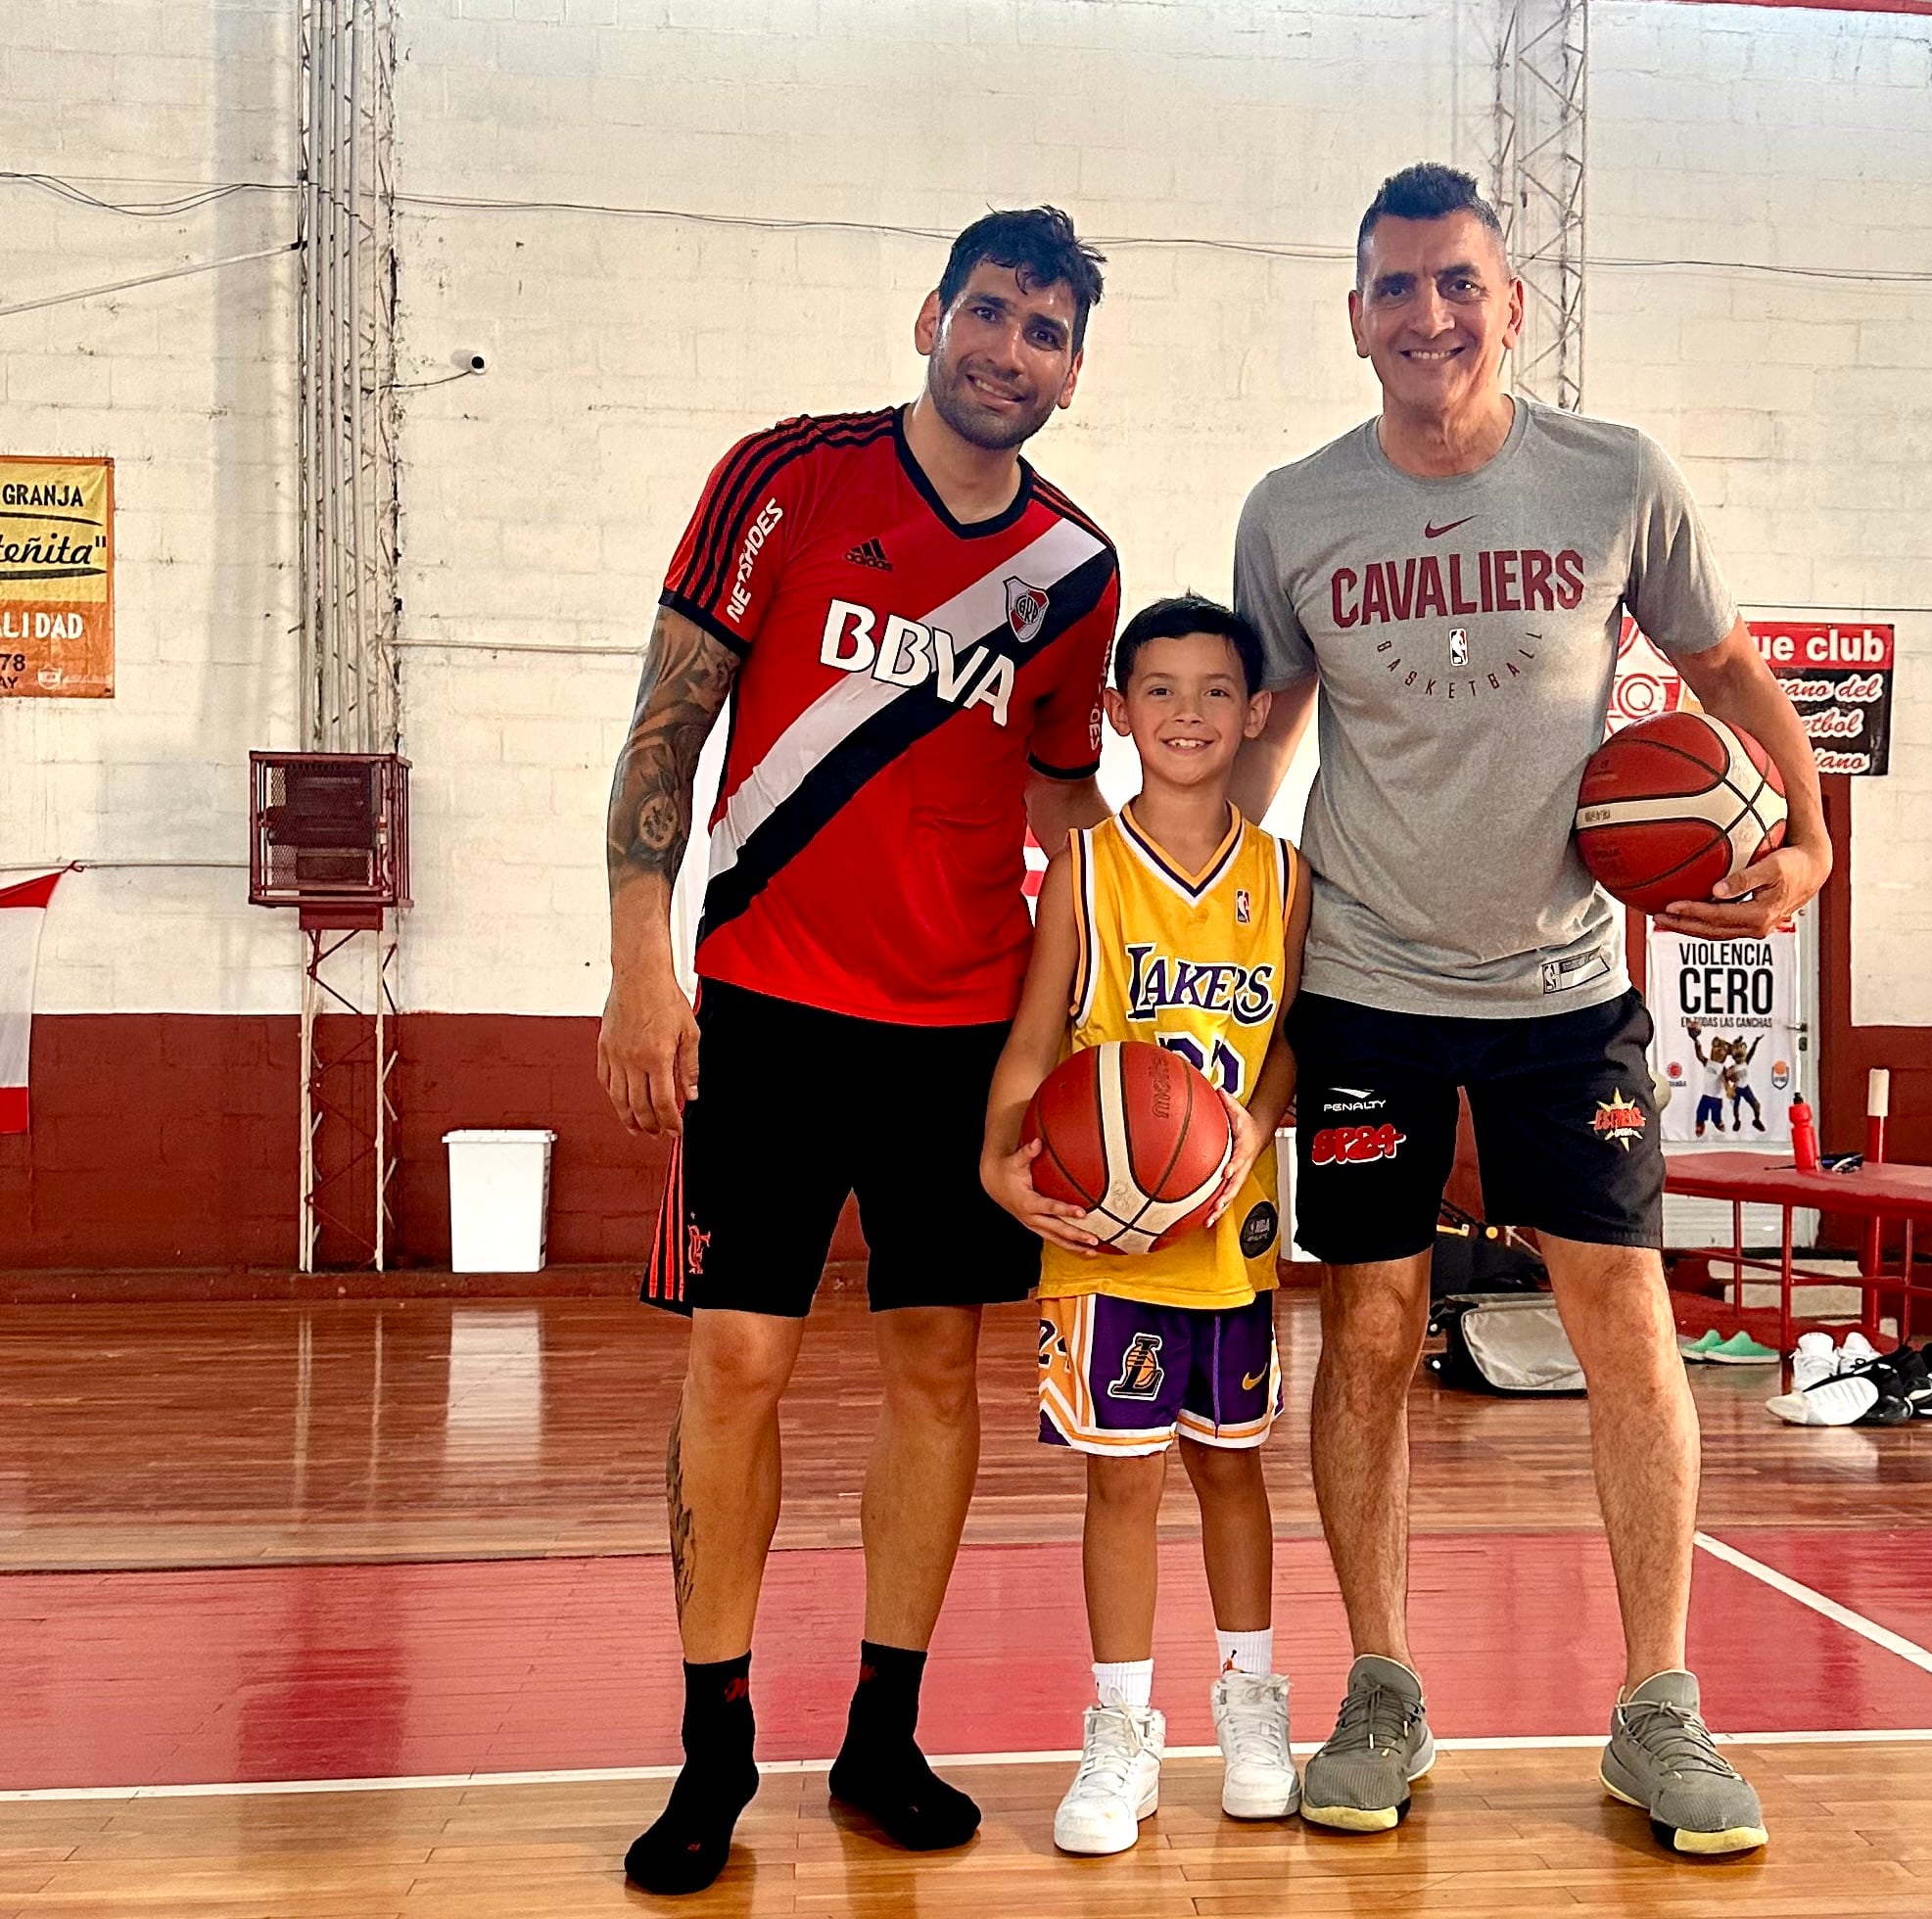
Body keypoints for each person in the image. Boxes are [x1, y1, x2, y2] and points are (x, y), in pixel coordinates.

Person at [1231, 163, 1830, 1854]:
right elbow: (1270, 733)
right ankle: (1382, 1688)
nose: (1427, 314)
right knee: (1360, 1333)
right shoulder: (1291, 512)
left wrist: (1808, 841)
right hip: (1362, 977)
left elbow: (1723, 668)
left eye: (1456, 283)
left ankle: (1655, 1709)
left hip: (1566, 989)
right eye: (1394, 286)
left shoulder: (1611, 477)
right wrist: (1196, 906)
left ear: (1509, 302)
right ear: (1352, 317)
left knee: (1624, 1326)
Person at [599, 206, 1120, 1896]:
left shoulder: (1073, 572)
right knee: (733, 1369)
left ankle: (881, 1731)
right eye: (987, 312)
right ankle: (712, 1740)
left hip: (960, 1031)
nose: (1006, 350)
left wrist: (1103, 1000)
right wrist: (636, 966)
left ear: (1067, 370)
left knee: (932, 1377)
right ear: (931, 313)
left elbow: (1061, 805)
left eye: (1043, 333)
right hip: (762, 1003)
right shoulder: (785, 475)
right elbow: (666, 724)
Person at [981, 595, 1311, 1856]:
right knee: (1119, 1484)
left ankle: (1249, 1704)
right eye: (1158, 690)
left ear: (1255, 713)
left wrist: (1244, 1130)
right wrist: (998, 1159)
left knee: (1231, 1467)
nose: (1186, 713)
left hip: (1225, 1229)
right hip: (1098, 1237)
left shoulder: (1284, 879)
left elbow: (1284, 1040)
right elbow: (1029, 1045)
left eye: (1214, 690)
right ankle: (1120, 1727)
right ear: (1115, 714)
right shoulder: (1080, 869)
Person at [1689, 1027, 1729, 1138]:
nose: (1719, 1053)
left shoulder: (1722, 1068)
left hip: (1716, 1097)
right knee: (1700, 1112)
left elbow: (1725, 1079)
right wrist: (1696, 1041)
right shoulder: (1708, 1062)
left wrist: (1727, 1088)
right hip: (1706, 1095)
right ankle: (1700, 1125)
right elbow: (1699, 1055)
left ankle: (1718, 1122)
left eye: (1722, 1051)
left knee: (1716, 1114)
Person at [1723, 1035, 1767, 1132]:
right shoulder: (1733, 1068)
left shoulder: (1745, 1062)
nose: (1739, 1060)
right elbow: (1727, 1078)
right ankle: (1737, 1121)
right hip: (1737, 1089)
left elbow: (1752, 1052)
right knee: (1736, 1107)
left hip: (1745, 1088)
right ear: (1734, 1058)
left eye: (1741, 1057)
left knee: (1756, 1105)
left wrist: (1756, 1042)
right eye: (1737, 1058)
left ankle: (1757, 1120)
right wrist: (1729, 1082)